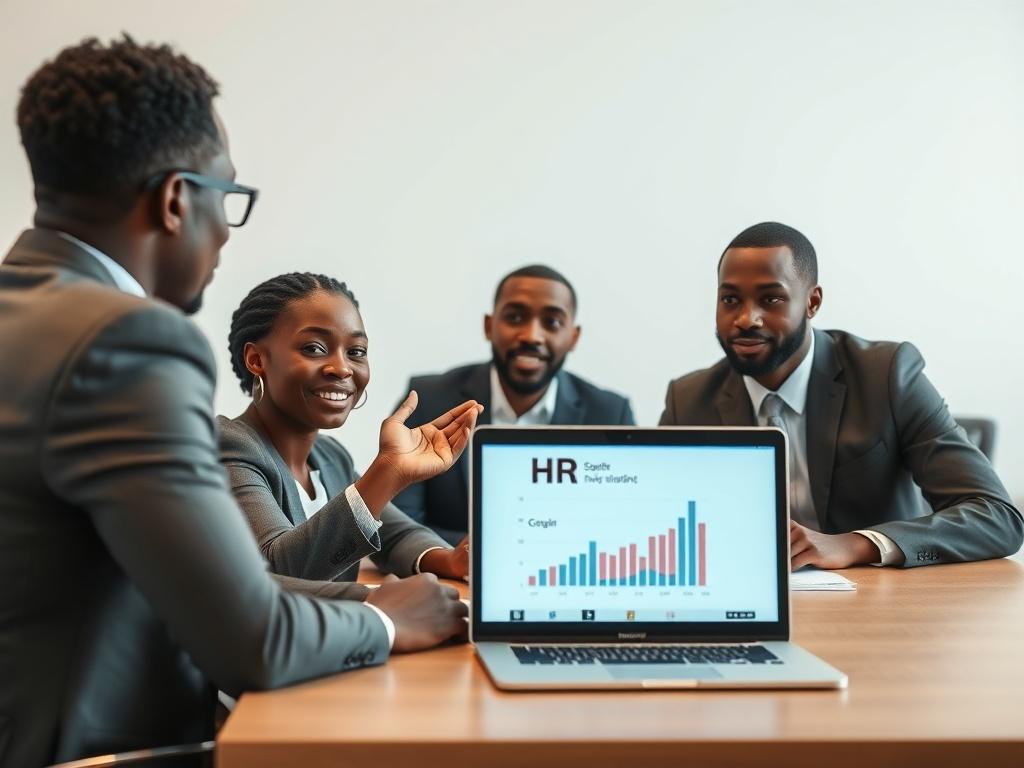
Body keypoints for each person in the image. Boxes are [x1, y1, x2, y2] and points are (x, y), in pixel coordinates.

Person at [0, 37, 472, 767]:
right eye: (230, 198)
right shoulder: (126, 344)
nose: (225, 229)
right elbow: (249, 630)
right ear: (176, 199)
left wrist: (433, 562)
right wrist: (382, 618)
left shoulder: (25, 313)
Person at [659, 221, 1022, 569]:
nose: (746, 318)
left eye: (770, 299)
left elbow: (996, 516)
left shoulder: (887, 376)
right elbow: (655, 523)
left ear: (812, 303)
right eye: (730, 299)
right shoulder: (688, 399)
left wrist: (854, 544)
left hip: (881, 607)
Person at [220, 272, 473, 588]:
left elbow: (394, 535)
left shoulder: (330, 456)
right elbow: (279, 572)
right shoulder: (228, 447)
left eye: (356, 352)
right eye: (313, 348)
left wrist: (449, 559)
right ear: (257, 359)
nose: (341, 368)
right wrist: (388, 471)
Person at [393, 264, 635, 543]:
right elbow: (398, 526)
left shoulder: (610, 413)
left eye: (552, 322)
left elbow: (623, 526)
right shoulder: (428, 399)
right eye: (516, 317)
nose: (532, 335)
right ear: (488, 326)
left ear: (573, 337)